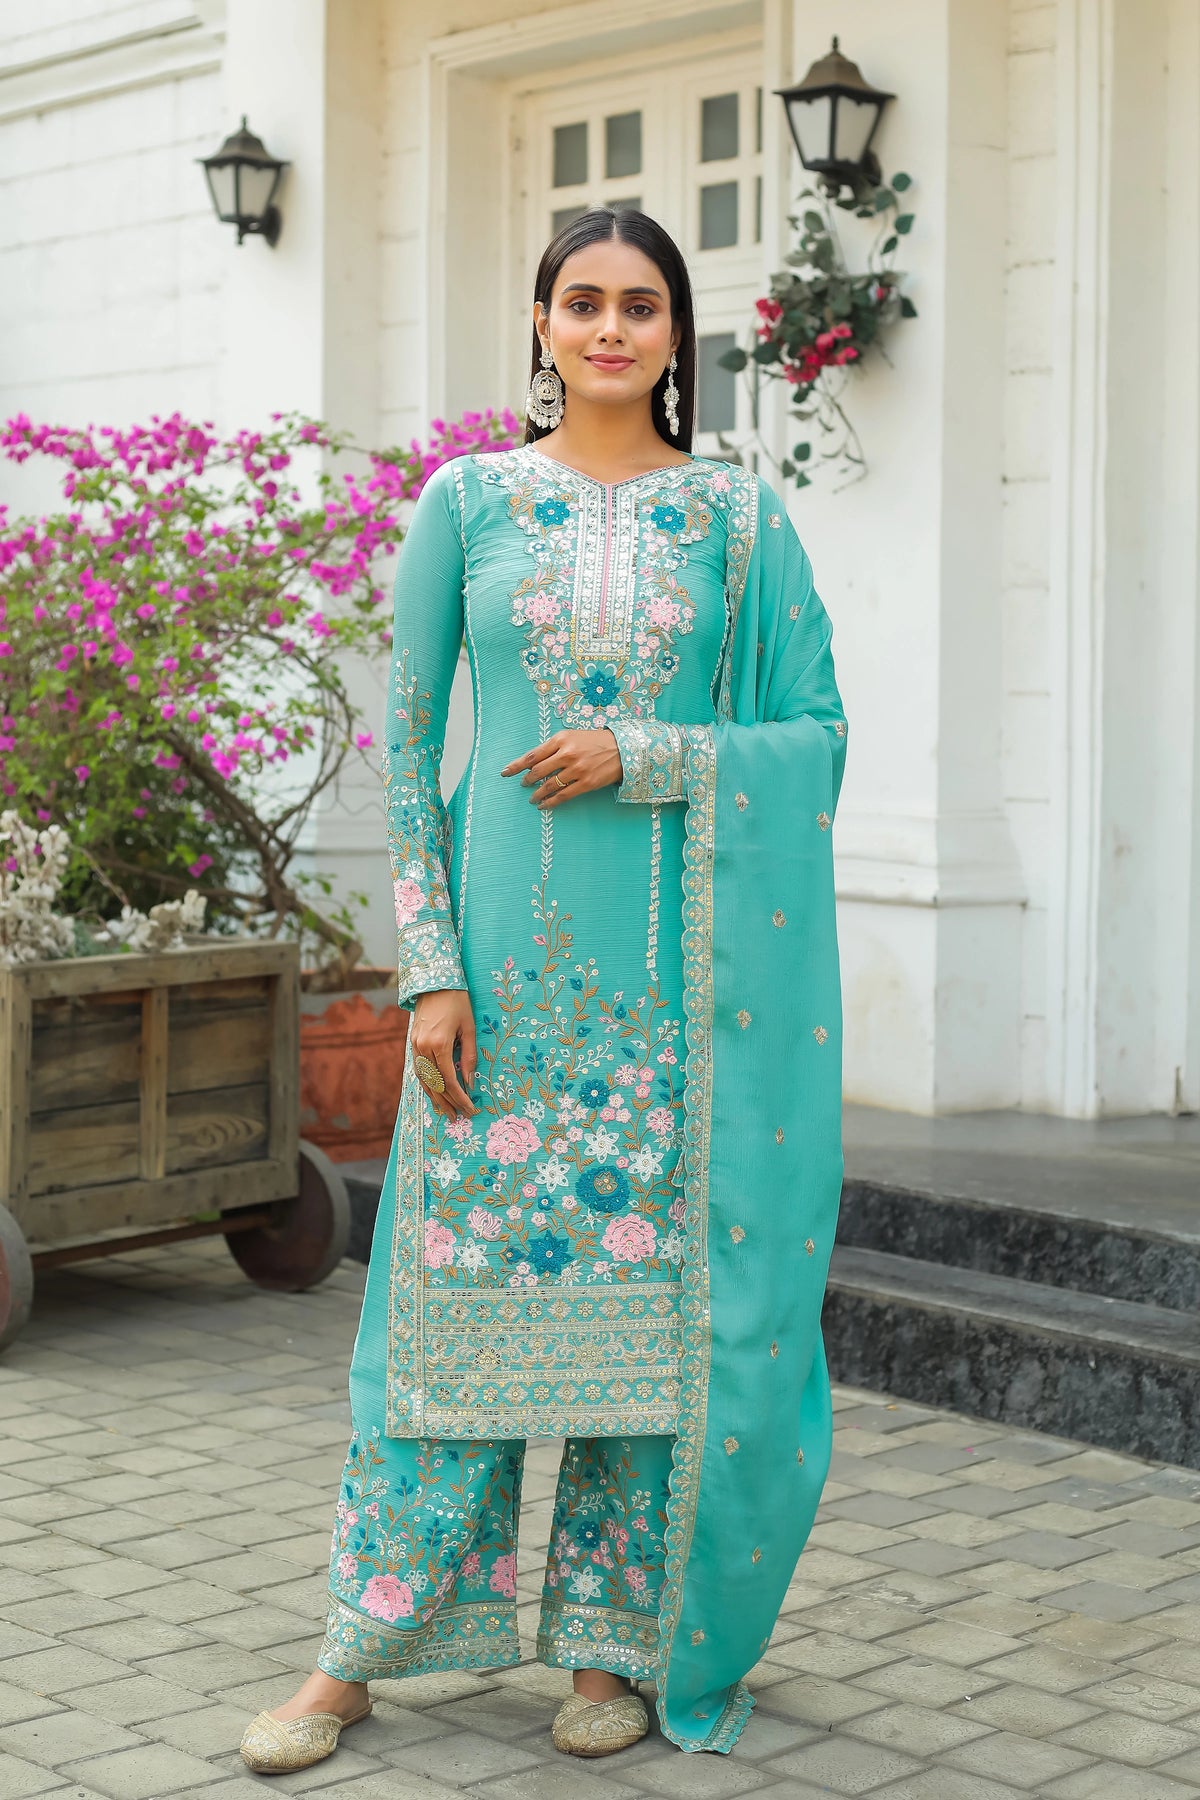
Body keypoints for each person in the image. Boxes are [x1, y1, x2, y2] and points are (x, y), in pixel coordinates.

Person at [240, 204, 847, 1773]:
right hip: (496, 1008)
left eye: (641, 305)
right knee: (443, 1336)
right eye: (582, 301)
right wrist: (429, 976)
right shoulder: (469, 500)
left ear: (673, 336)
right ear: (536, 322)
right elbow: (410, 740)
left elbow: (816, 736)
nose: (608, 330)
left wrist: (649, 757)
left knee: (645, 1352)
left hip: (672, 1022)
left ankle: (611, 1649)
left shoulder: (736, 518)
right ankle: (355, 1655)